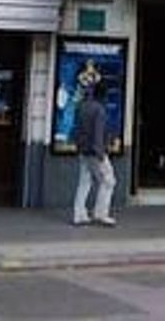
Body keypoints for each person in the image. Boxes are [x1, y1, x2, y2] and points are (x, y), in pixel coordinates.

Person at [71, 80, 116, 226]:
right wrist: (100, 153)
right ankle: (101, 213)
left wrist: (79, 146)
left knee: (84, 182)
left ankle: (78, 215)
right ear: (104, 95)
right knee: (109, 180)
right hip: (95, 152)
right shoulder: (99, 110)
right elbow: (98, 133)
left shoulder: (82, 107)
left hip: (83, 150)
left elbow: (76, 129)